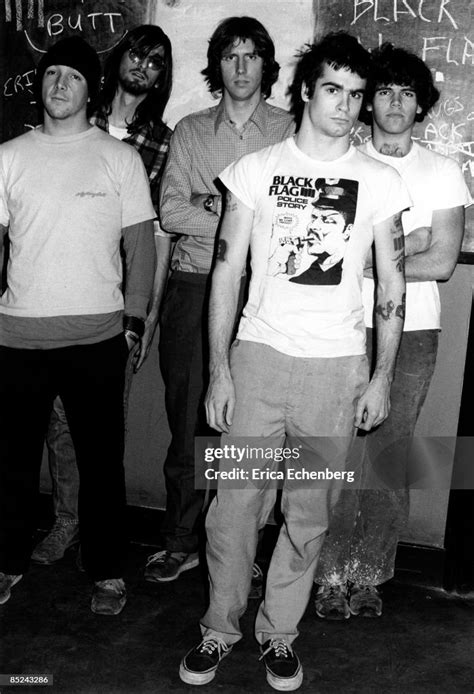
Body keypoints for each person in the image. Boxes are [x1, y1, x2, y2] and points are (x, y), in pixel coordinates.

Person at [179, 32, 409, 690]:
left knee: (308, 512)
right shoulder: (255, 170)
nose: (346, 105)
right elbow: (225, 273)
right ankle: (218, 630)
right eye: (333, 89)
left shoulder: (379, 179)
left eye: (356, 95)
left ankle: (279, 633)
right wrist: (221, 369)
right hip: (258, 360)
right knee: (233, 508)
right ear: (307, 90)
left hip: (335, 372)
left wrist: (380, 374)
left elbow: (392, 285)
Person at [313, 43, 472, 620]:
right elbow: (334, 251)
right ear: (367, 101)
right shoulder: (346, 162)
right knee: (334, 450)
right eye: (384, 91)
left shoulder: (441, 170)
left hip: (416, 331)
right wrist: (409, 245)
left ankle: (369, 574)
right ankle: (328, 573)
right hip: (342, 326)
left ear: (422, 103)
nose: (396, 102)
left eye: (408, 92)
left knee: (388, 454)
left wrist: (376, 255)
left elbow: (443, 261)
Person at [0, 36, 156, 615]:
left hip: (97, 339)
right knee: (12, 463)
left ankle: (108, 572)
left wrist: (135, 320)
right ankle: (7, 562)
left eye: (72, 76)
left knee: (101, 463)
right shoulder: (9, 157)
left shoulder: (119, 159)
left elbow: (141, 249)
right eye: (51, 74)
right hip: (18, 339)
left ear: (93, 88)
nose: (59, 84)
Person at [149, 16, 294, 583]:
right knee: (189, 419)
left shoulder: (287, 131)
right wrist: (234, 213)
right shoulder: (189, 131)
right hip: (193, 286)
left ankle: (242, 550)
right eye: (229, 56)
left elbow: (286, 222)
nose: (239, 67)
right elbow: (172, 212)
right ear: (217, 64)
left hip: (262, 295)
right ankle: (180, 540)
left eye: (250, 56)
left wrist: (212, 207)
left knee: (250, 429)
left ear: (266, 66)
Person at [30, 25, 173, 567]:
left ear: (162, 76)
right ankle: (66, 520)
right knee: (56, 424)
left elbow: (153, 239)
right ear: (117, 61)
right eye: (137, 52)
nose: (143, 65)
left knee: (100, 428)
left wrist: (145, 319)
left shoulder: (160, 139)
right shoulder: (68, 110)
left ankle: (99, 539)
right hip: (50, 300)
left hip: (112, 307)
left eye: (156, 62)